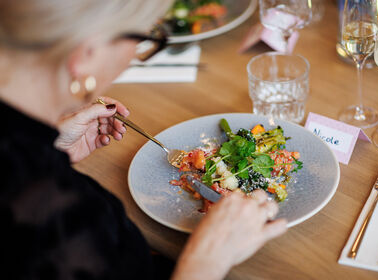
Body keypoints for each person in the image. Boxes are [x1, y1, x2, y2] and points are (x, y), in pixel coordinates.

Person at [0, 0, 287, 279]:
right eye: (143, 37)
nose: (134, 58)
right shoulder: (55, 222)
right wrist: (205, 261)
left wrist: (48, 147)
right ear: (86, 55)